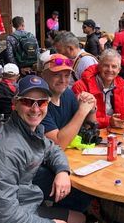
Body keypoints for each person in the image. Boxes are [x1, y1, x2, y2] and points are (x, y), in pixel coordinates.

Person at [0, 75, 100, 223]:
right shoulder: (4, 151)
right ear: (15, 103)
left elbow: (52, 148)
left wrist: (62, 171)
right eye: (28, 101)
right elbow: (2, 218)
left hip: (23, 211)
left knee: (79, 218)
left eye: (41, 102)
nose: (35, 108)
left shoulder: (27, 130)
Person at [38, 54, 96, 212]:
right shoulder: (39, 102)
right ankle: (63, 220)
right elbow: (58, 143)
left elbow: (85, 127)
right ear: (43, 75)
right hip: (38, 168)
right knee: (83, 191)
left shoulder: (67, 94)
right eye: (56, 75)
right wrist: (82, 111)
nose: (63, 80)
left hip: (61, 159)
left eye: (66, 75)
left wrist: (91, 108)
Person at [72, 49, 124, 129]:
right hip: (90, 135)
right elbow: (79, 120)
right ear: (99, 67)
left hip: (113, 134)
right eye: (106, 65)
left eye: (114, 66)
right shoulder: (81, 87)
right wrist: (108, 122)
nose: (110, 70)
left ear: (118, 70)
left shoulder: (120, 86)